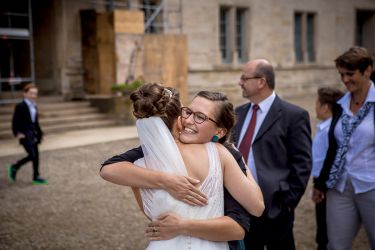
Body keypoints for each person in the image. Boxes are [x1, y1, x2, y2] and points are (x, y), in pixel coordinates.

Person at [101, 83, 264, 249]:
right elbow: (108, 169)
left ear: (219, 132)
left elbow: (249, 215)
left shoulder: (226, 154)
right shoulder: (148, 156)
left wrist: (240, 158)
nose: (188, 120)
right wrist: (166, 181)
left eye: (200, 117)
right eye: (188, 112)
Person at [233, 59, 312, 250]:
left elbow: (302, 163)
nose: (240, 82)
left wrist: (288, 203)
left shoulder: (293, 115)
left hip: (275, 208)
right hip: (240, 207)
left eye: (244, 78)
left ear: (262, 81)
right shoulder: (238, 113)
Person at [314, 46, 375, 250]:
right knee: (336, 246)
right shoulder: (340, 105)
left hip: (371, 185)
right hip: (339, 186)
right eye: (341, 75)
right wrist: (320, 183)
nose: (345, 80)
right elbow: (334, 147)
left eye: (350, 74)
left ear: (367, 70)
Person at [311, 87, 344, 250]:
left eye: (317, 103)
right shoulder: (323, 126)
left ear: (325, 107)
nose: (315, 106)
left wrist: (320, 185)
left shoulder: (330, 131)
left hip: (325, 183)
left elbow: (328, 159)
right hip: (319, 180)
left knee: (326, 226)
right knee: (321, 223)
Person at [7, 83, 48, 185]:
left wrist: (40, 134)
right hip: (24, 134)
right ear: (25, 94)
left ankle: (36, 176)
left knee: (36, 156)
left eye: (35, 94)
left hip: (33, 134)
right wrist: (17, 133)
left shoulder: (34, 106)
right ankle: (15, 167)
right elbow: (15, 122)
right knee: (32, 155)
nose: (33, 96)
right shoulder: (20, 106)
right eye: (31, 93)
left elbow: (35, 122)